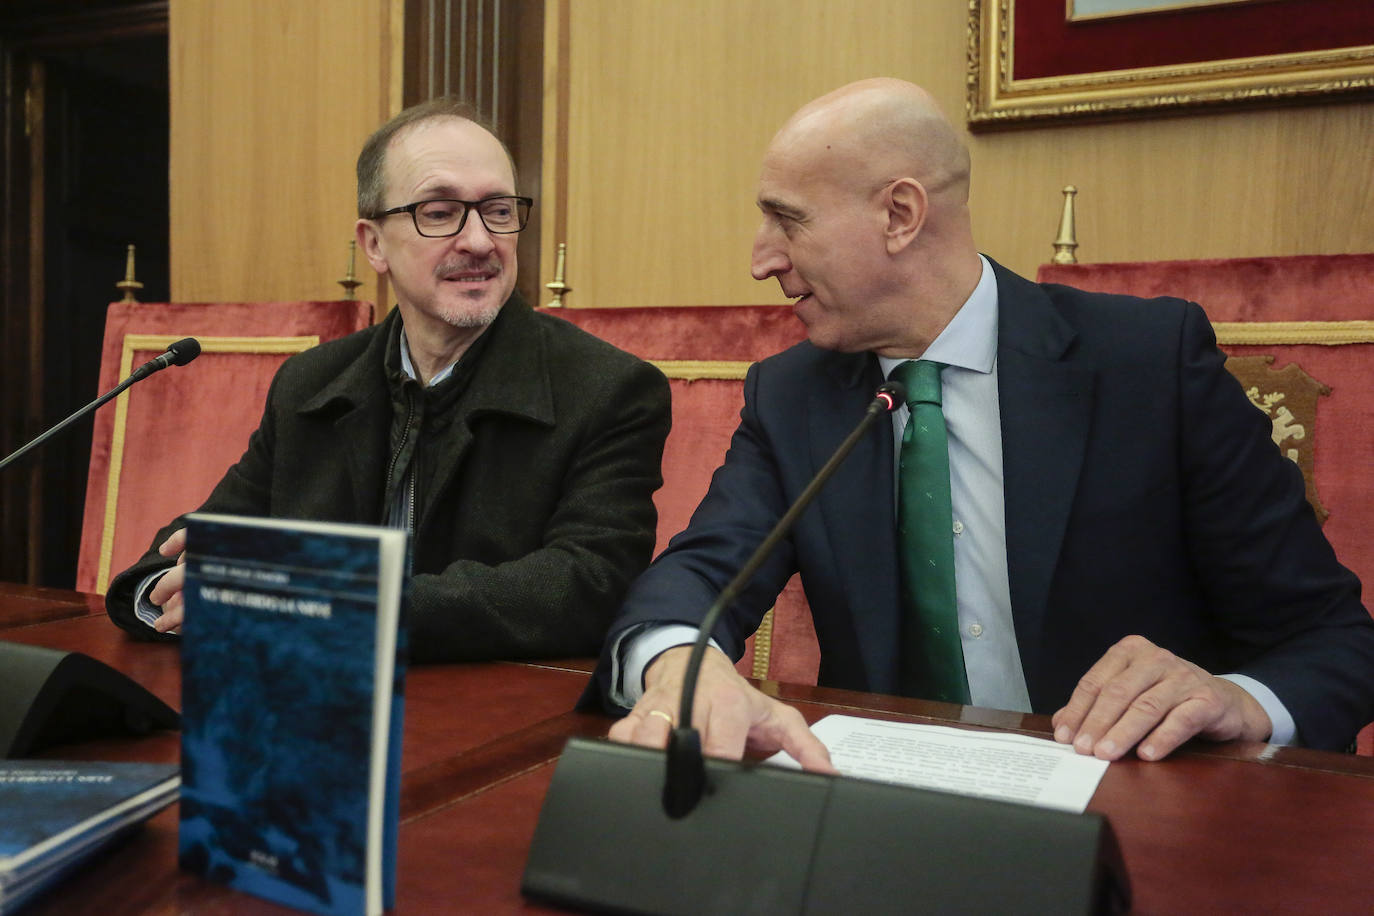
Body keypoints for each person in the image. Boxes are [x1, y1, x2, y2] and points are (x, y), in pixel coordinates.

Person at [590, 78, 1374, 767]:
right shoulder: (793, 394)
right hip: (893, 824)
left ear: (900, 214)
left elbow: (1334, 640)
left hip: (1139, 811)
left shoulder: (1146, 365)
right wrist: (681, 666)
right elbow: (698, 574)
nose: (762, 259)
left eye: (788, 222)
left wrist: (1237, 702)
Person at [106, 99, 672, 663]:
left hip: (492, 719)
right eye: (439, 211)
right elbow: (186, 553)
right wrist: (176, 589)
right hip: (310, 709)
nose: (480, 241)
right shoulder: (312, 384)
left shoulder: (609, 390)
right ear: (373, 244)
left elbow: (588, 586)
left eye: (498, 210)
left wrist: (328, 602)